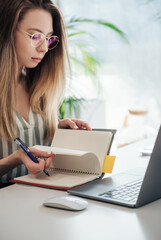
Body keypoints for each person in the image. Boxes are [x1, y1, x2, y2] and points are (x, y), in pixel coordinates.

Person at [0, 0, 91, 187]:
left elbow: (36, 149)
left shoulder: (39, 87)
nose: (43, 48)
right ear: (7, 31)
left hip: (39, 198)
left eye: (49, 38)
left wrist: (59, 134)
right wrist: (15, 158)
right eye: (35, 36)